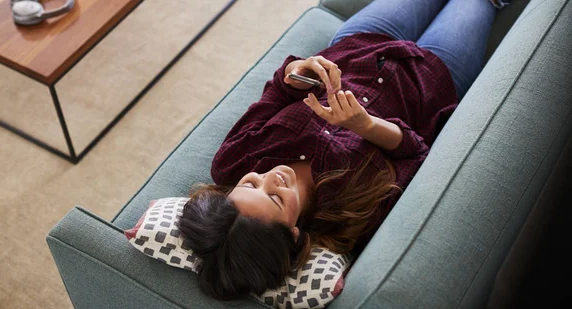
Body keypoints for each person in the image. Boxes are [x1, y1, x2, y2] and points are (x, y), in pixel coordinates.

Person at [179, 0, 510, 301]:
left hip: (360, 44)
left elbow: (277, 94)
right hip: (435, 77)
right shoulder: (353, 218)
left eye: (250, 184)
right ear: (293, 234)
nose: (272, 178)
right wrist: (366, 126)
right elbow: (419, 156)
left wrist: (296, 75)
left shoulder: (233, 161)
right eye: (276, 198)